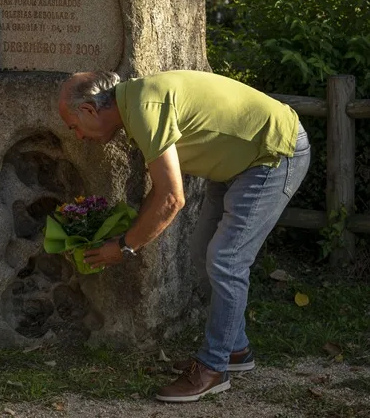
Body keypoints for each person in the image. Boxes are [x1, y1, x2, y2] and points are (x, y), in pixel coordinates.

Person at [58, 70, 311, 403]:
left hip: (273, 153)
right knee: (201, 251)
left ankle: (214, 367)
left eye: (73, 126)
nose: (78, 136)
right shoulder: (136, 105)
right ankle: (235, 351)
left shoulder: (145, 107)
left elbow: (172, 199)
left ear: (90, 110)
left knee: (226, 259)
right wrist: (128, 232)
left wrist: (123, 248)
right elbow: (160, 190)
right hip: (238, 162)